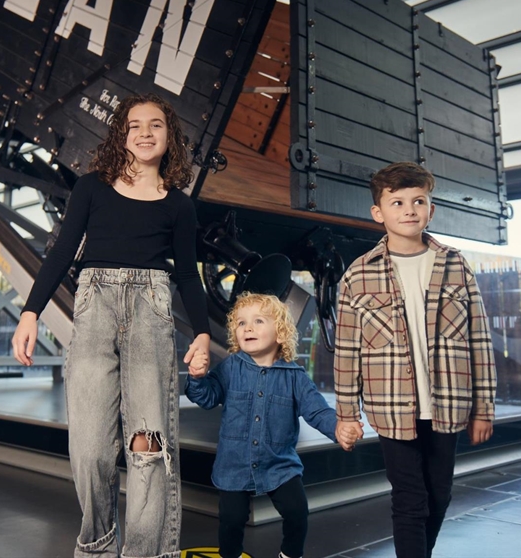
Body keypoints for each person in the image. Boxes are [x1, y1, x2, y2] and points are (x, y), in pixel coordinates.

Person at [11, 93, 212, 558]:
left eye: (156, 125)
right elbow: (62, 253)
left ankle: (144, 553)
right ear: (121, 134)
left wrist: (201, 331)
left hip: (151, 314)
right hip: (95, 309)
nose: (145, 132)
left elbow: (187, 274)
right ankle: (97, 545)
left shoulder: (179, 205)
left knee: (148, 445)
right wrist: (30, 312)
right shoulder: (91, 188)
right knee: (90, 449)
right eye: (135, 124)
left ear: (170, 137)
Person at [333, 161, 497, 558]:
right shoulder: (358, 274)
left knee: (439, 494)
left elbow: (479, 338)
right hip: (391, 409)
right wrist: (345, 413)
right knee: (409, 498)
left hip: (448, 405)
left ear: (431, 209)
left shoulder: (456, 265)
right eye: (398, 202)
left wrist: (484, 409)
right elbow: (347, 350)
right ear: (379, 213)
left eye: (418, 201)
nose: (409, 210)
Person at [186, 292, 360, 558]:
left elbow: (317, 411)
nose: (248, 328)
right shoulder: (231, 367)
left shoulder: (295, 377)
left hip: (279, 465)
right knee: (231, 520)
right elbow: (207, 397)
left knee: (297, 512)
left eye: (258, 321)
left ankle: (289, 554)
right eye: (241, 323)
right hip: (234, 465)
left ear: (279, 334)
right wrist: (197, 378)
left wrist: (338, 428)